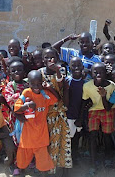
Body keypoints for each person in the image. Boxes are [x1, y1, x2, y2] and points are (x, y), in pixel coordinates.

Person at [14, 70, 57, 175]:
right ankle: (19, 170)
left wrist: (48, 88)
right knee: (22, 159)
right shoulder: (26, 93)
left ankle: (43, 173)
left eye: (39, 83)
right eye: (33, 84)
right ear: (28, 84)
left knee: (43, 162)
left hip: (41, 134)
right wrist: (27, 106)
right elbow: (16, 108)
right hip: (27, 134)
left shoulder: (45, 95)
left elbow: (56, 99)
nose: (36, 86)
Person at [78, 62, 115, 176]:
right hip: (94, 110)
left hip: (108, 109)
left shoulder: (111, 86)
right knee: (92, 135)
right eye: (95, 72)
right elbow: (84, 102)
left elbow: (108, 107)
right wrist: (80, 118)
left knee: (107, 135)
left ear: (106, 74)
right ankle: (93, 162)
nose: (98, 74)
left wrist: (103, 95)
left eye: (101, 72)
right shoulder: (87, 86)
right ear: (91, 73)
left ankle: (108, 157)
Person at [39, 47, 72, 175]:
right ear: (43, 60)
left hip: (60, 112)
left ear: (57, 59)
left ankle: (63, 170)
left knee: (63, 143)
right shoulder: (39, 73)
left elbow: (61, 85)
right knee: (49, 143)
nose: (50, 59)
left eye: (52, 57)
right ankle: (49, 170)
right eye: (46, 57)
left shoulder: (61, 71)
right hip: (46, 114)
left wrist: (57, 70)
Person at [66, 57, 84, 163]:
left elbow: (85, 101)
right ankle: (70, 158)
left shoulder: (85, 82)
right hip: (69, 115)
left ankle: (75, 156)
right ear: (69, 67)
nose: (76, 68)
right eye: (74, 65)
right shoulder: (67, 81)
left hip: (79, 115)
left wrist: (81, 117)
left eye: (79, 65)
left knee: (77, 136)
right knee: (70, 138)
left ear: (82, 67)